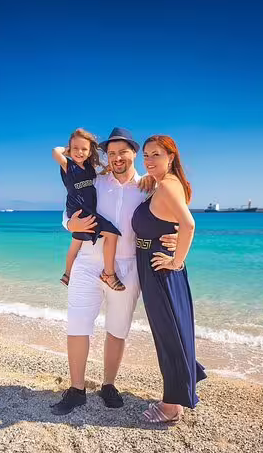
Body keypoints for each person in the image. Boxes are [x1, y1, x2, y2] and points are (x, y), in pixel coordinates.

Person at [50, 127, 177, 416]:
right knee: (77, 325)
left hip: (128, 266)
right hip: (86, 262)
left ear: (134, 154)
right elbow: (70, 208)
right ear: (105, 156)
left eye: (123, 152)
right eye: (112, 152)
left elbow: (174, 212)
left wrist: (177, 237)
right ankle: (76, 389)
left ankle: (108, 384)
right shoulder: (94, 180)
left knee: (117, 330)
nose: (117, 157)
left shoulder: (149, 186)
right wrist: (70, 225)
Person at [132, 135, 206, 423]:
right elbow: (172, 221)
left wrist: (177, 261)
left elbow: (188, 224)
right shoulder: (165, 184)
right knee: (172, 332)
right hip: (156, 267)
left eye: (156, 155)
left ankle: (171, 406)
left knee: (169, 336)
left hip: (160, 269)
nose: (149, 161)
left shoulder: (167, 185)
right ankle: (181, 385)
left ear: (171, 157)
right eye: (146, 156)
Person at [52, 128, 124, 291]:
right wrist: (66, 150)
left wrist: (107, 170)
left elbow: (96, 179)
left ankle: (67, 274)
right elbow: (55, 152)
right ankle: (109, 274)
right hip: (79, 210)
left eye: (84, 149)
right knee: (112, 234)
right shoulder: (68, 166)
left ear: (90, 151)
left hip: (85, 210)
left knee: (75, 244)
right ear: (70, 149)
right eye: (75, 148)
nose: (79, 152)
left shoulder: (89, 168)